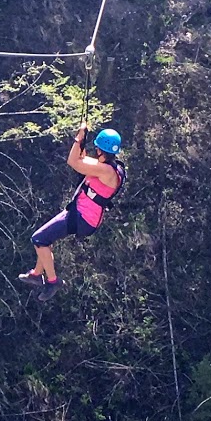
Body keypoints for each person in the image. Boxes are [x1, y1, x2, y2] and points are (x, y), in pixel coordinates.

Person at [18, 126, 125, 298]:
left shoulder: (105, 170)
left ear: (99, 148)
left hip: (83, 218)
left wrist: (78, 139)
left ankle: (53, 282)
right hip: (81, 214)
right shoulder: (109, 167)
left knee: (39, 239)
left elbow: (73, 162)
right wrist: (81, 141)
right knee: (45, 238)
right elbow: (81, 159)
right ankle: (36, 274)